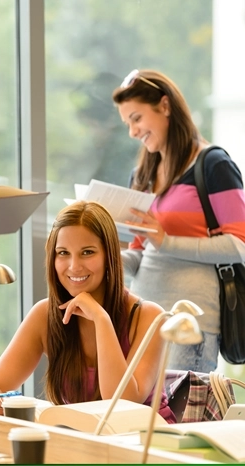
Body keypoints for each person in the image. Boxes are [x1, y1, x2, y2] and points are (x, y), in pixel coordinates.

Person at [0, 201, 176, 423]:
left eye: (87, 252)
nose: (74, 266)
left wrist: (101, 319)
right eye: (63, 253)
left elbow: (121, 403)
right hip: (84, 443)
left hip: (146, 444)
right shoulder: (45, 314)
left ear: (109, 255)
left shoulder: (149, 317)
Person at [112, 69, 245, 372]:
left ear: (165, 106)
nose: (132, 132)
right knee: (141, 418)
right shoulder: (142, 175)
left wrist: (166, 241)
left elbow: (240, 245)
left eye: (136, 118)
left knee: (179, 418)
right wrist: (104, 258)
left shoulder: (213, 164)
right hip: (142, 320)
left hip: (189, 325)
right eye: (127, 123)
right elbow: (141, 252)